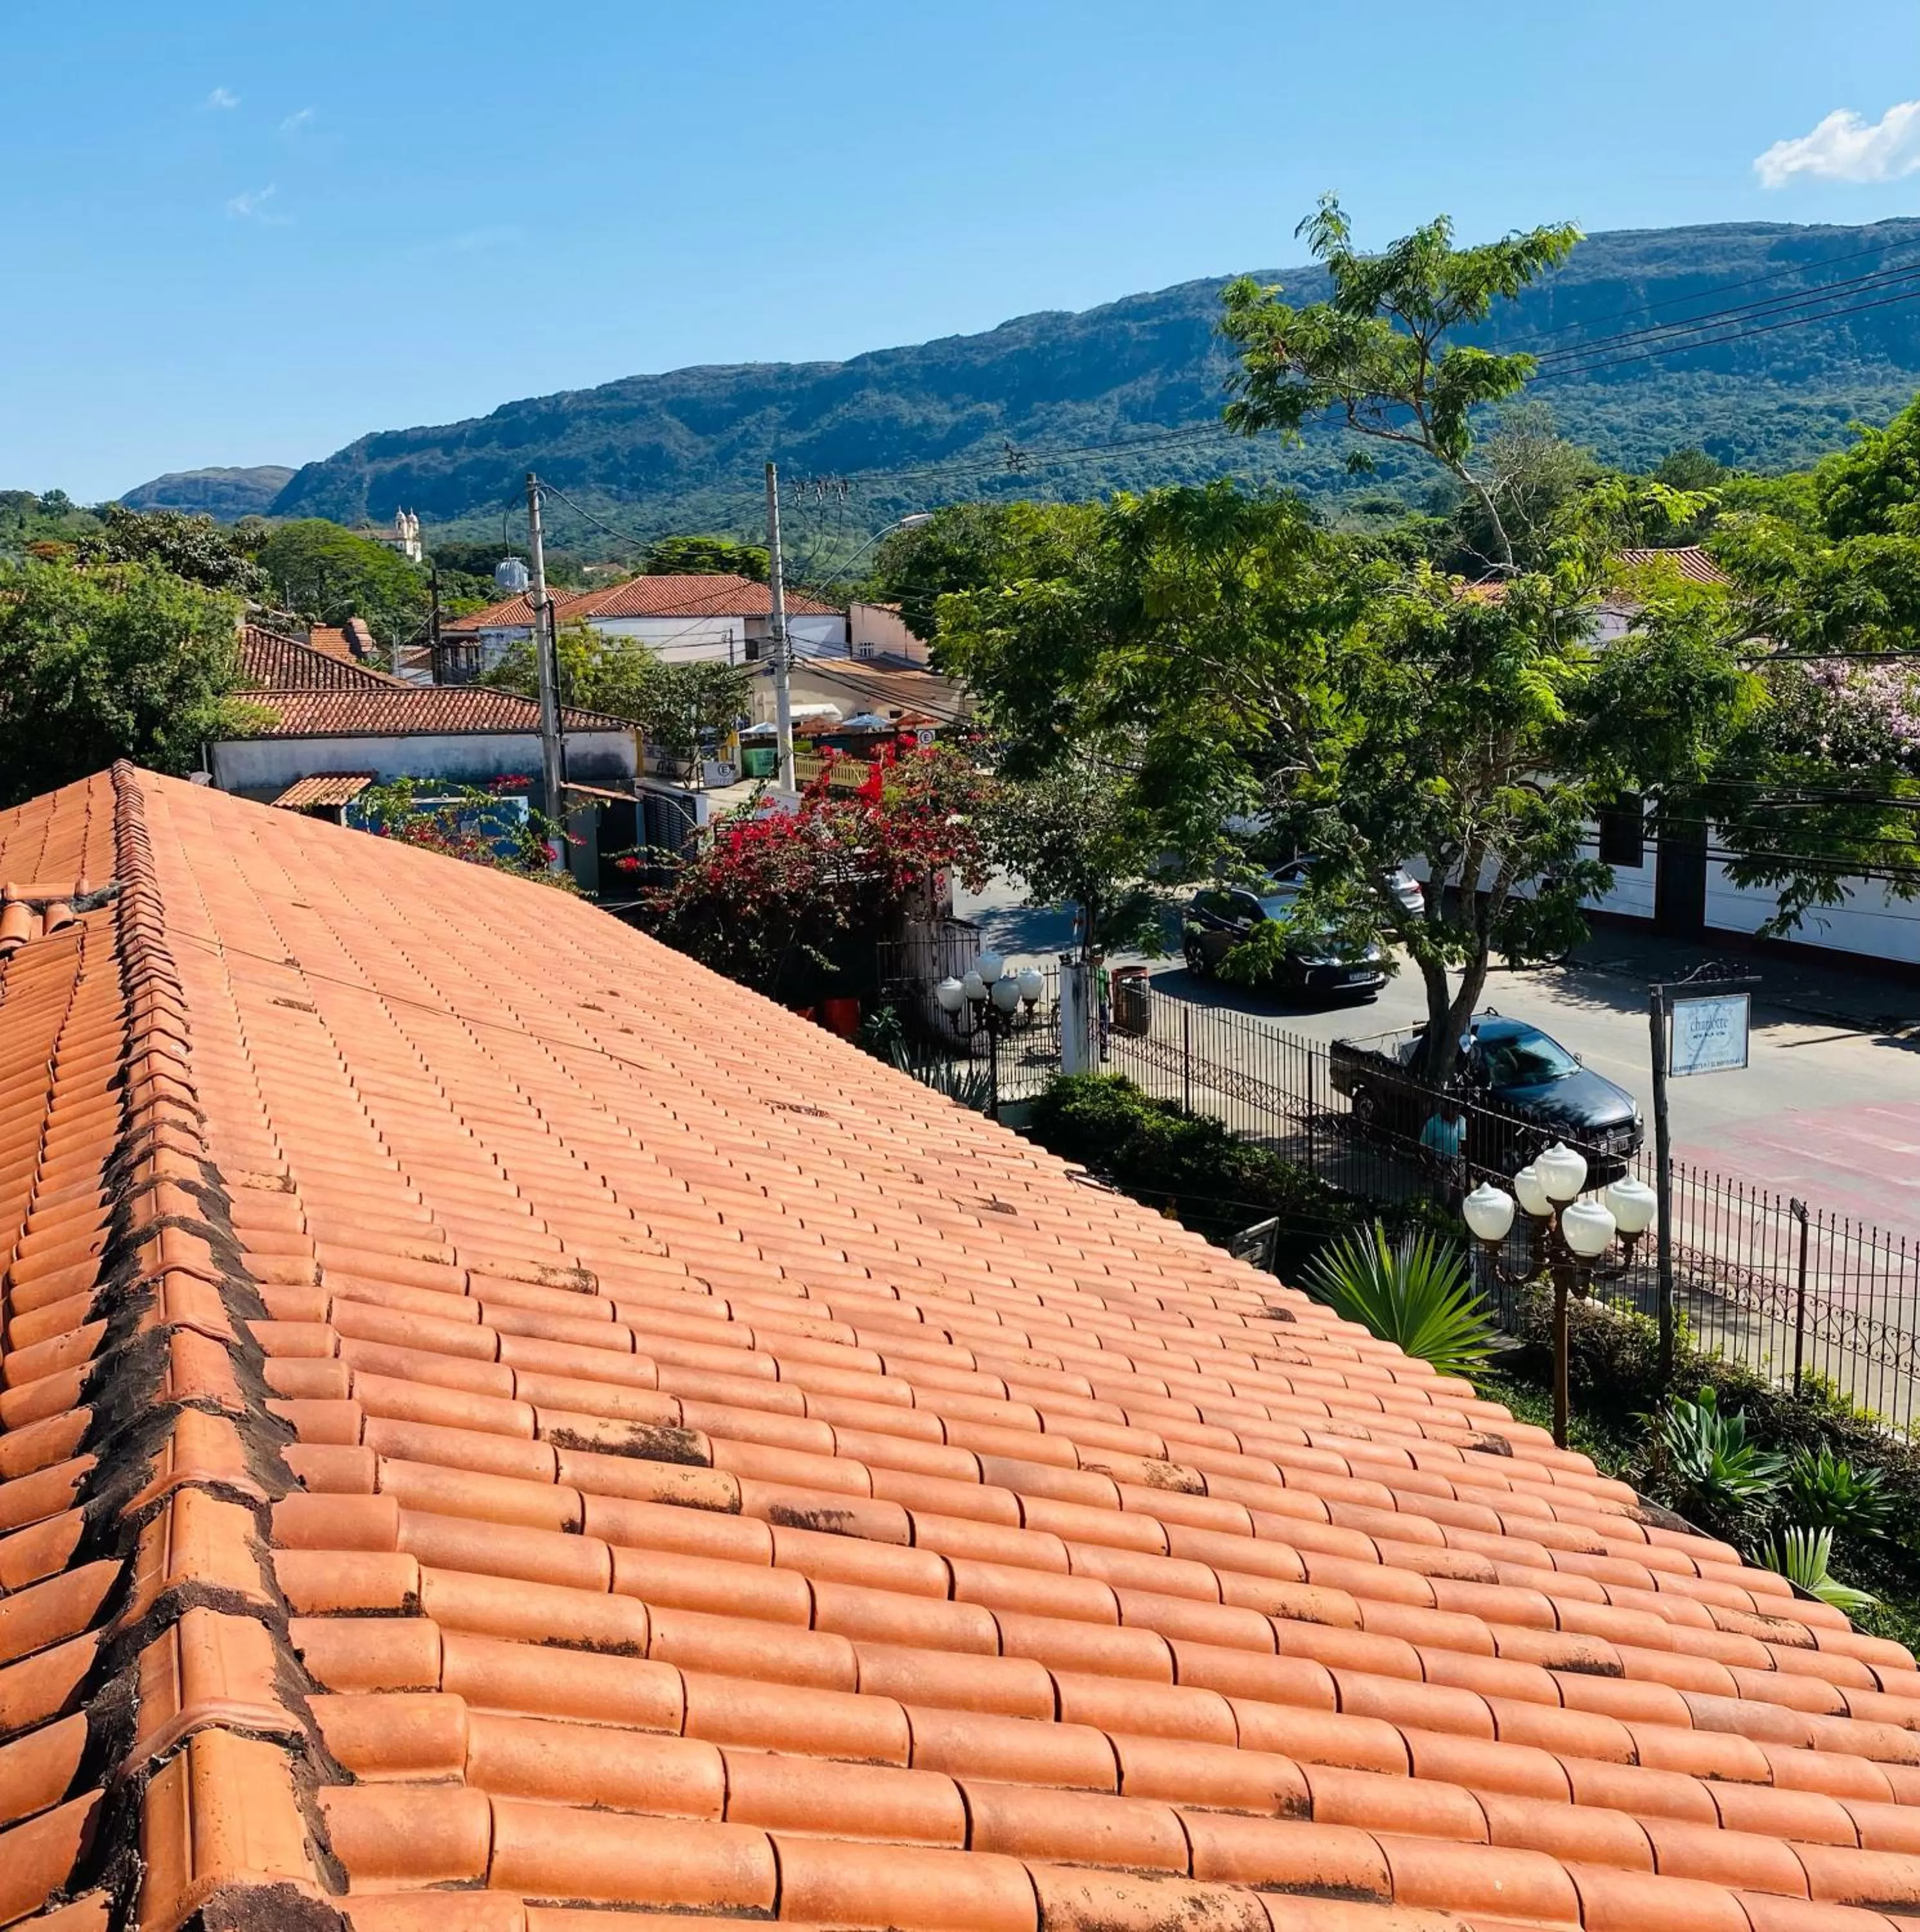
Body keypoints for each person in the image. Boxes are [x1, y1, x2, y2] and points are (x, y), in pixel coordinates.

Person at [1419, 1092, 1469, 1208]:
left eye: (1457, 1110)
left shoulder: (1462, 1121)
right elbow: (1422, 1148)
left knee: (1459, 1199)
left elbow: (1463, 1144)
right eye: (1452, 1109)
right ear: (1444, 1107)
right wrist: (1433, 1166)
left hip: (1457, 1163)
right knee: (1442, 1199)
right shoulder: (1432, 1124)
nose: (1455, 1114)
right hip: (1440, 1163)